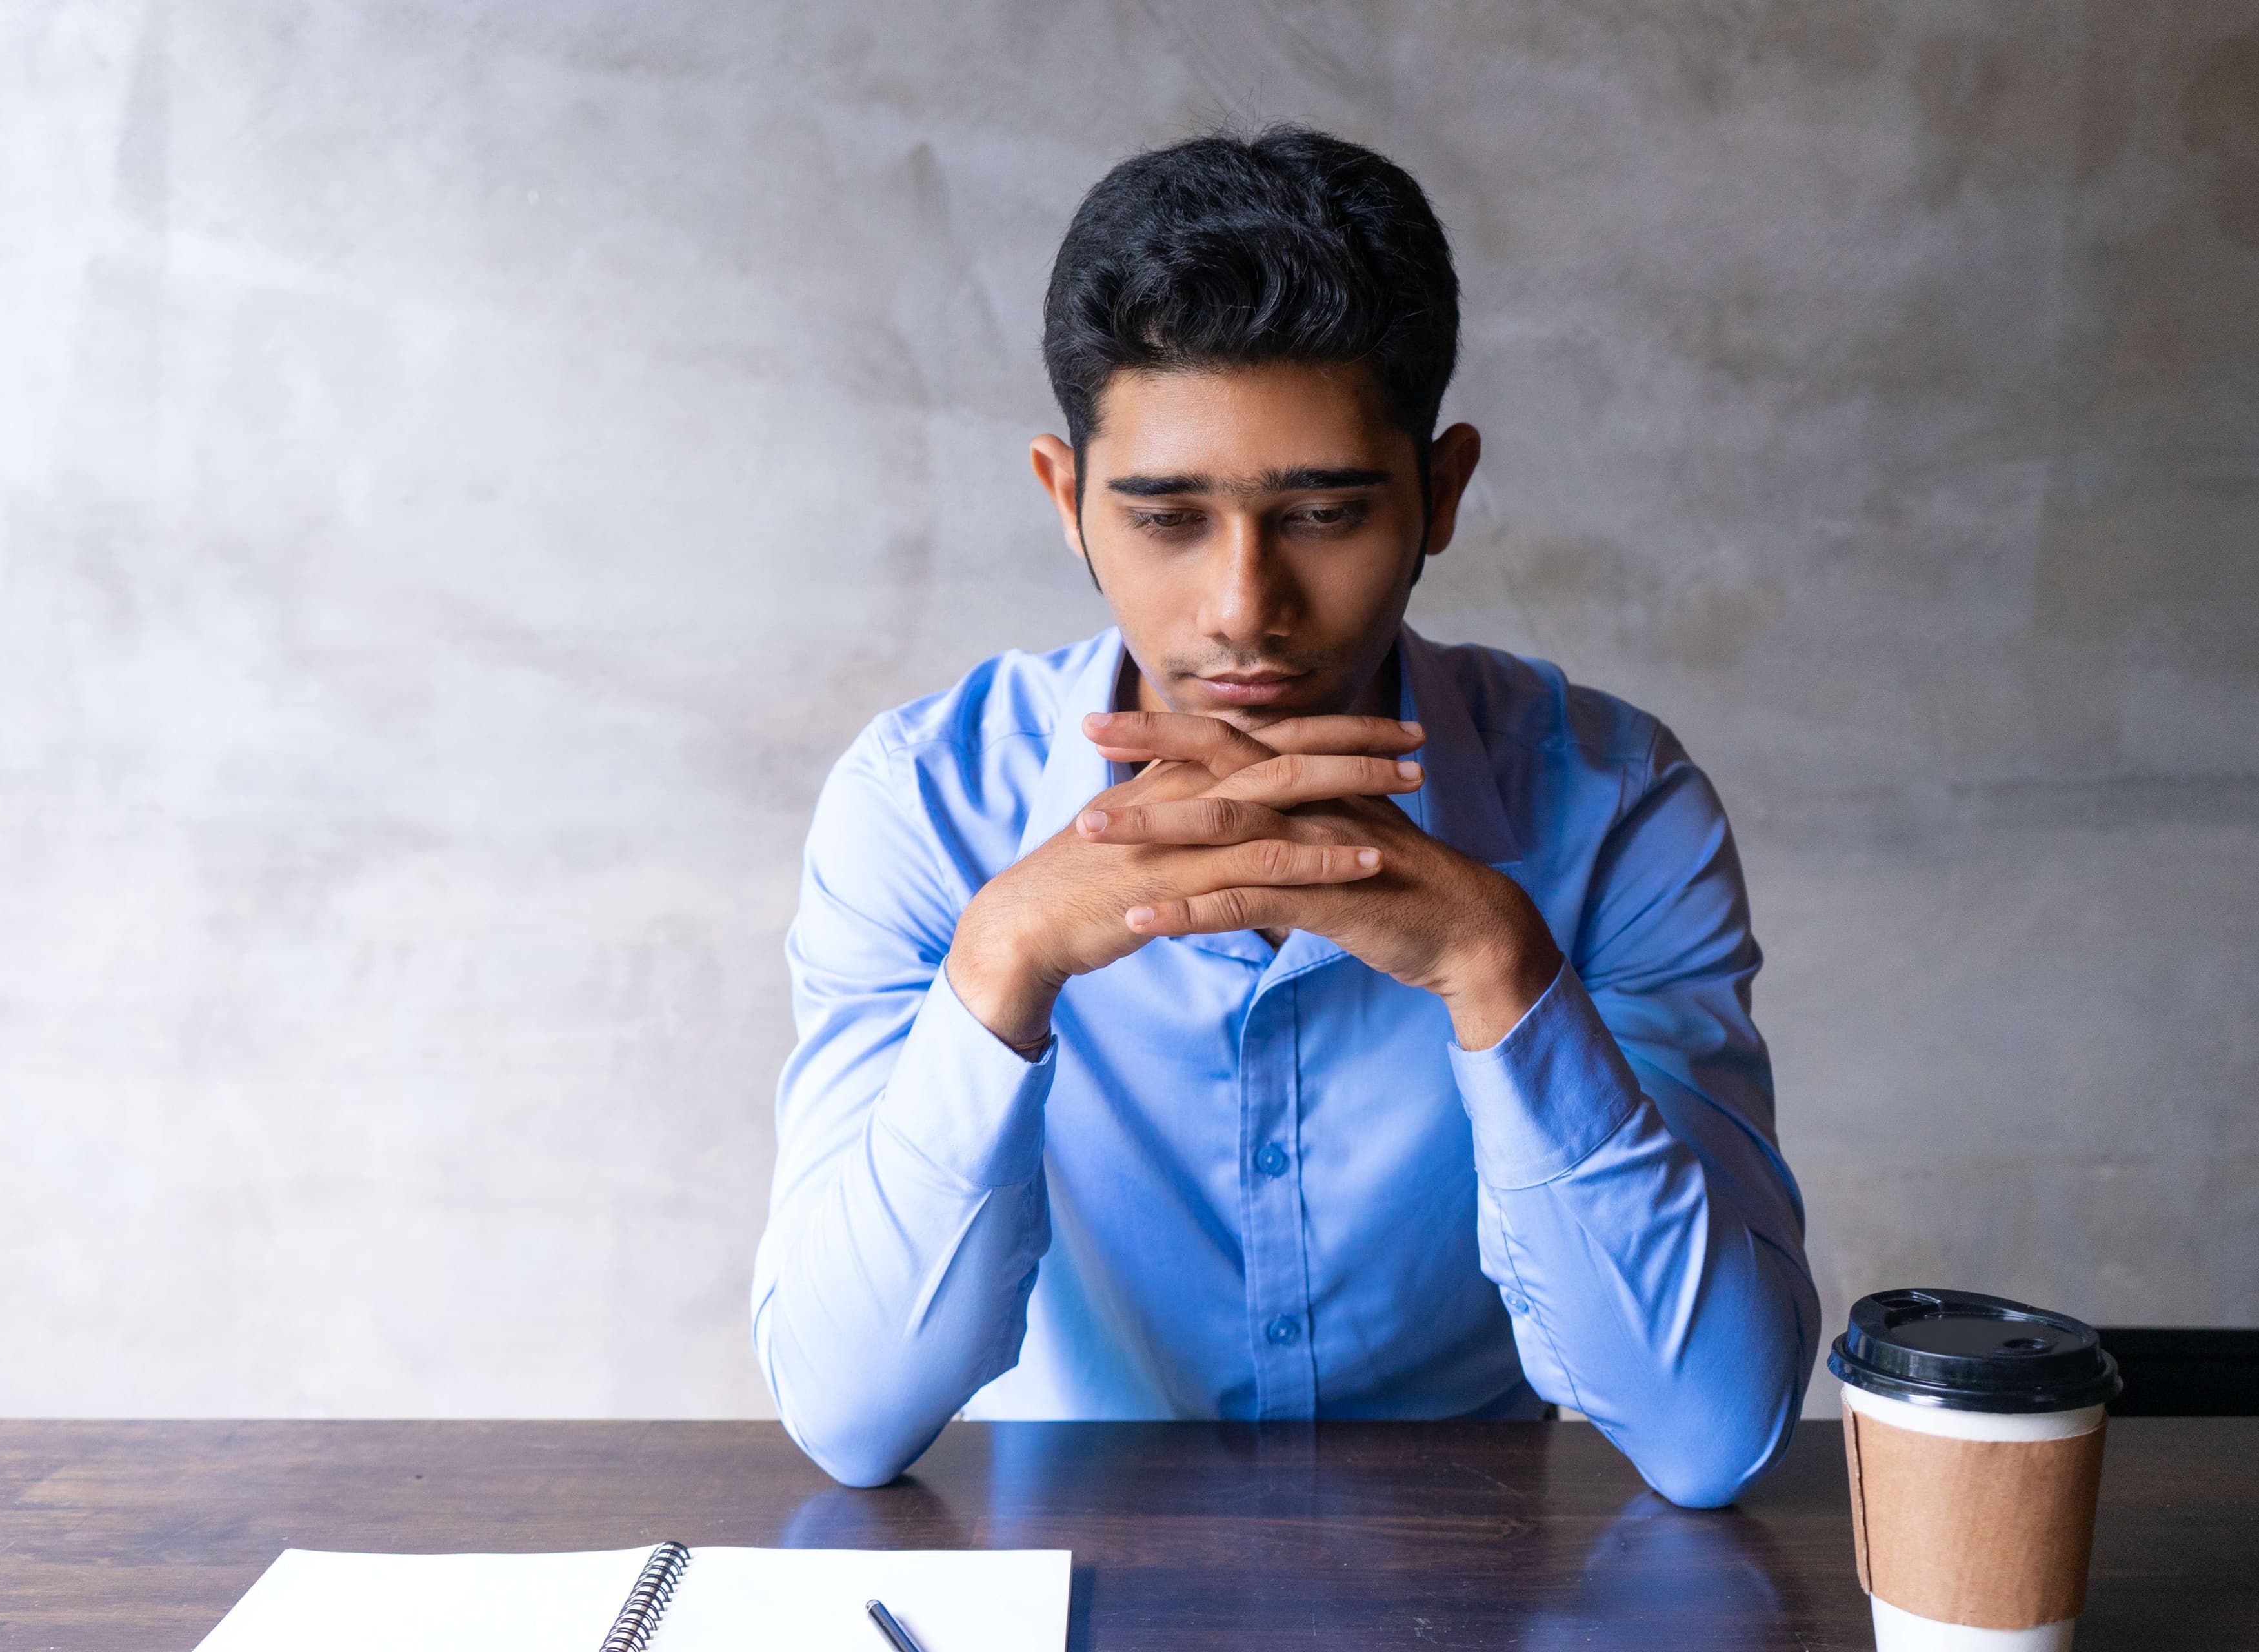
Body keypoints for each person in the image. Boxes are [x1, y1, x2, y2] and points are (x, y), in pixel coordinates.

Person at [749, 126, 1818, 1507]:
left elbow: (1712, 1433)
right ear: (1067, 500)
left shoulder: (1617, 805)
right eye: (1167, 519)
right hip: (1072, 1571)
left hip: (1475, 1576)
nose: (1244, 608)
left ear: (1442, 493)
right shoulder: (921, 805)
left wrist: (1499, 967)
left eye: (1321, 513)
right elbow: (848, 1417)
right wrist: (1001, 959)